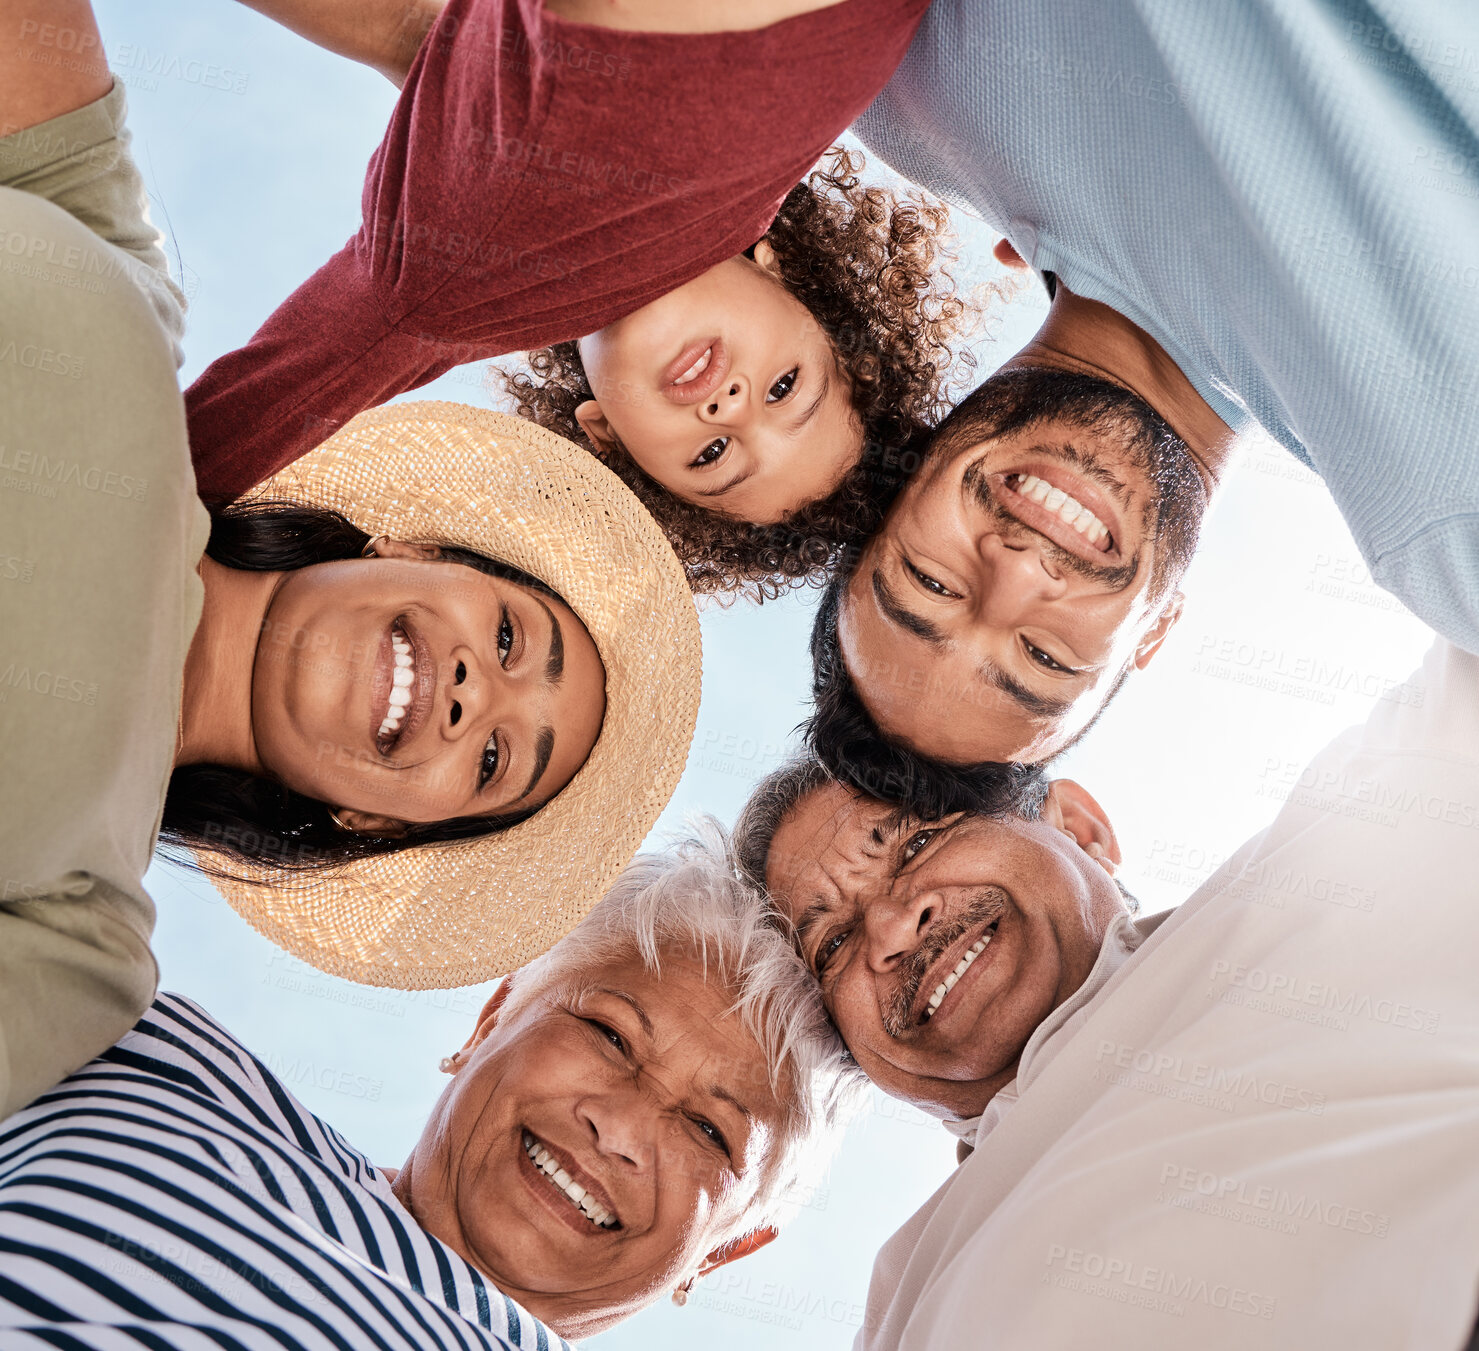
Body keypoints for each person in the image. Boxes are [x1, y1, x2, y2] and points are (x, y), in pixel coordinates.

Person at [0, 20, 700, 1120]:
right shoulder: (129, 305)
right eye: (514, 637)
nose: (478, 696)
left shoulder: (84, 941)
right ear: (411, 549)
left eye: (497, 763)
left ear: (379, 825)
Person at [739, 634, 1479, 1347]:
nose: (897, 925)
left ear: (1079, 827)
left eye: (919, 841)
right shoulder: (905, 1302)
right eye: (831, 944)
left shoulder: (1357, 836)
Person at [807, 0, 1479, 768]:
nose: (1019, 570)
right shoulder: (1453, 535)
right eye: (1046, 659)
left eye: (930, 581)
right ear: (1155, 631)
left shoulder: (901, 89)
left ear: (893, 478)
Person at [183, 0, 982, 599]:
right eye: (786, 389)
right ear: (792, 283)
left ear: (607, 438)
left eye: (712, 458)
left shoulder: (445, 295)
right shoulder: (821, 108)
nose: (731, 410)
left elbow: (182, 463)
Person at [0, 828, 862, 1345]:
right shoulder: (167, 1059)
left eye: (709, 1133)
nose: (622, 1127)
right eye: (608, 1033)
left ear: (726, 1250)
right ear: (491, 1018)